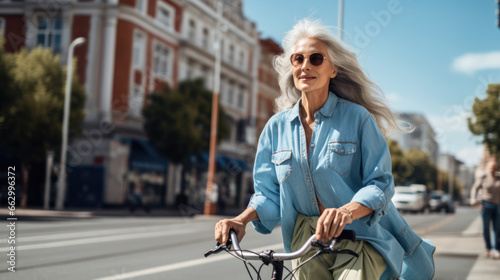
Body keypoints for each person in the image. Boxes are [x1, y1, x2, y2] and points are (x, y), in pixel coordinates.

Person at [214, 19, 435, 280]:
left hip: (358, 236)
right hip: (304, 242)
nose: (305, 66)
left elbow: (380, 185)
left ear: (333, 69)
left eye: (316, 58)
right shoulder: (275, 128)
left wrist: (345, 211)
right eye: (298, 59)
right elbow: (268, 194)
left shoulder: (358, 118)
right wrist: (241, 219)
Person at [470, 160, 500, 259]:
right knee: (486, 228)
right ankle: (489, 249)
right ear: (488, 168)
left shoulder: (498, 177)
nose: (492, 169)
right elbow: (475, 188)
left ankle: (496, 249)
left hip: (497, 205)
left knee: (497, 228)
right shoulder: (484, 177)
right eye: (490, 167)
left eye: (494, 167)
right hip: (485, 205)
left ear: (496, 168)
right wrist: (474, 199)